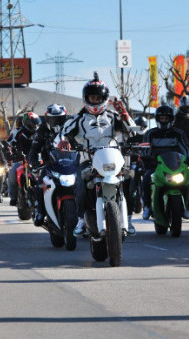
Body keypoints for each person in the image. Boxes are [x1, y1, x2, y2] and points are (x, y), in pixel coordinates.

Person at [61, 73, 136, 237]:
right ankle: (81, 220)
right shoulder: (78, 119)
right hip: (88, 160)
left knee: (130, 183)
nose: (94, 101)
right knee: (80, 186)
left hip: (112, 159)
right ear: (85, 98)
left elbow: (132, 131)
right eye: (91, 97)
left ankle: (128, 219)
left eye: (98, 97)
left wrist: (124, 113)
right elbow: (63, 134)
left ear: (105, 98)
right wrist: (65, 142)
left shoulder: (113, 116)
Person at [141, 105, 189, 225]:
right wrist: (147, 159)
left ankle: (188, 206)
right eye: (161, 118)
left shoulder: (178, 133)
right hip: (156, 166)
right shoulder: (150, 134)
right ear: (157, 119)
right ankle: (147, 207)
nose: (164, 120)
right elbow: (145, 149)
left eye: (166, 118)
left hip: (176, 166)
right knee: (146, 179)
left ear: (171, 119)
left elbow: (186, 148)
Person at [28, 104, 69, 226]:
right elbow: (34, 149)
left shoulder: (70, 127)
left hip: (69, 164)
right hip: (50, 164)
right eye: (53, 119)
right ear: (47, 119)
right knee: (41, 184)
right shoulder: (42, 130)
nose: (56, 122)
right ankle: (41, 212)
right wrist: (34, 162)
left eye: (60, 119)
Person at [6, 112, 42, 206]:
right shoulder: (17, 132)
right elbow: (9, 144)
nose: (35, 125)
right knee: (13, 172)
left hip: (38, 158)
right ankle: (13, 197)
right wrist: (11, 154)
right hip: (22, 159)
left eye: (36, 123)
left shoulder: (41, 132)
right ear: (27, 123)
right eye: (33, 123)